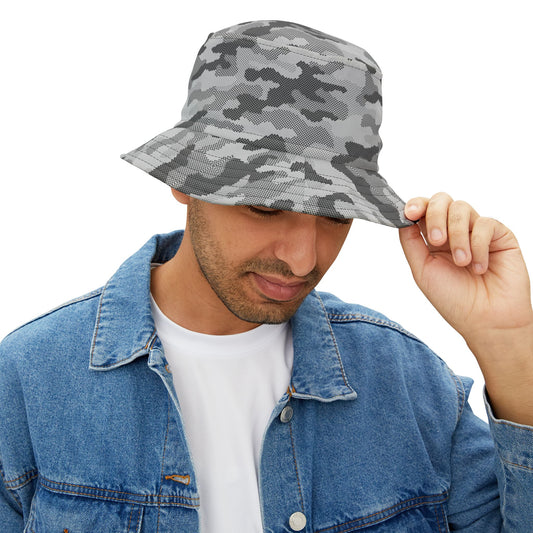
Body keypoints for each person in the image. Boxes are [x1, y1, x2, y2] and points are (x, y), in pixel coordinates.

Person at [1, 19, 532, 533]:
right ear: (185, 179)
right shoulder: (30, 380)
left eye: (335, 216)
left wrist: (508, 346)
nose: (302, 260)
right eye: (265, 206)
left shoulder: (408, 382)